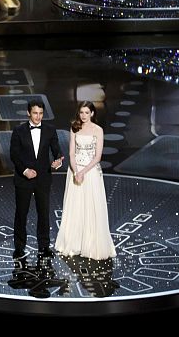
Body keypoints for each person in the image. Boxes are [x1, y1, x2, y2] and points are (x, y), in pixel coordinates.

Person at [55, 101, 116, 261]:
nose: (83, 116)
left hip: (91, 173)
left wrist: (82, 172)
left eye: (86, 113)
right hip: (75, 172)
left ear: (92, 114)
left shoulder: (98, 130)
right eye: (81, 113)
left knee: (91, 207)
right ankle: (74, 243)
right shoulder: (74, 128)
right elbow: (72, 154)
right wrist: (76, 172)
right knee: (75, 207)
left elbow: (98, 157)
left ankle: (90, 244)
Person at [9, 99, 63, 259]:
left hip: (43, 178)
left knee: (44, 213)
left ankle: (44, 247)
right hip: (23, 178)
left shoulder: (50, 130)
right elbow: (14, 155)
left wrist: (58, 160)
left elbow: (56, 150)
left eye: (40, 113)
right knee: (21, 213)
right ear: (28, 113)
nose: (38, 117)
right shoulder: (18, 131)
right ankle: (19, 247)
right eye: (35, 113)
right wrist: (25, 171)